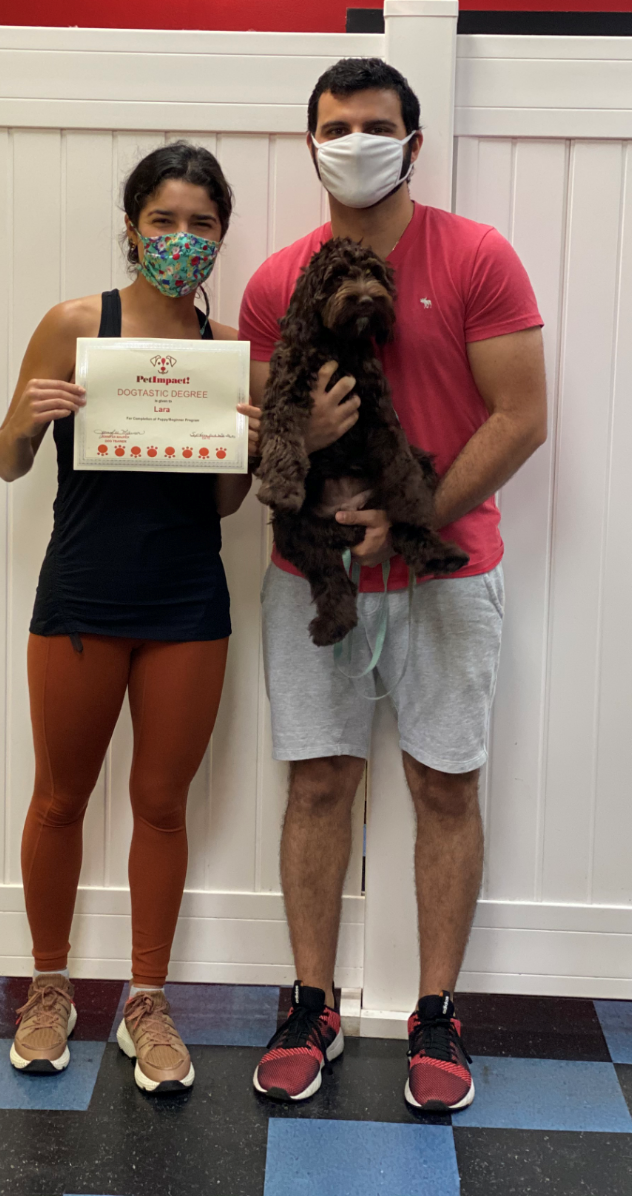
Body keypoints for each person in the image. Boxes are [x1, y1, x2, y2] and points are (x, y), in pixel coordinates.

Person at [239, 58, 547, 1110]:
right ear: (310, 142)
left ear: (413, 144)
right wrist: (303, 438)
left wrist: (407, 516)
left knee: (443, 784)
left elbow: (520, 416)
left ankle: (437, 1013)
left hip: (446, 569)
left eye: (377, 126)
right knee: (317, 782)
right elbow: (261, 431)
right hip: (310, 568)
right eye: (336, 126)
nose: (355, 140)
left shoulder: (477, 257)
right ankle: (310, 1002)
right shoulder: (274, 283)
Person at [0, 142, 259, 1094]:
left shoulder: (229, 354)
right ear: (133, 226)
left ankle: (146, 999)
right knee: (59, 798)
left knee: (160, 804)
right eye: (164, 221)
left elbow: (224, 507)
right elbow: (7, 460)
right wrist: (32, 414)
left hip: (188, 602)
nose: (181, 239)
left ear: (220, 236)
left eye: (201, 224)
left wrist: (246, 448)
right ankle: (48, 987)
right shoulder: (76, 324)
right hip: (82, 595)